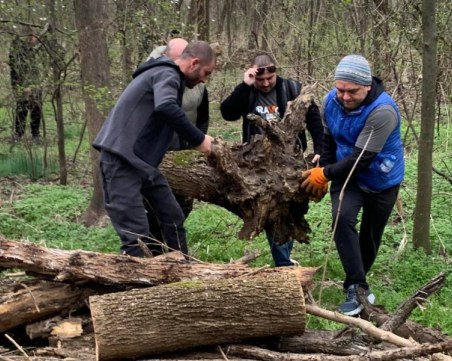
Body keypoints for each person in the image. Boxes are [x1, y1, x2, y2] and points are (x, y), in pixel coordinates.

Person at [300, 54, 404, 315]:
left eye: (352, 91)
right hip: (348, 176)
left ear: (367, 86)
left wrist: (325, 173)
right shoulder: (330, 102)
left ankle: (357, 279)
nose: (345, 96)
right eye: (340, 89)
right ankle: (357, 287)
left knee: (370, 234)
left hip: (381, 178)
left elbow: (362, 158)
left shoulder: (383, 111)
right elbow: (328, 138)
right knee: (341, 217)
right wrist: (321, 165)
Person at [93, 40, 216, 257]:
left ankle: (182, 269)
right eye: (206, 72)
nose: (205, 79)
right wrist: (200, 140)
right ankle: (138, 286)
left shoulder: (167, 75)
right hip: (121, 162)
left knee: (173, 216)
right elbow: (166, 107)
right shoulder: (166, 74)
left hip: (143, 164)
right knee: (137, 239)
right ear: (194, 63)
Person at [220, 53, 323, 267]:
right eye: (260, 80)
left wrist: (319, 149)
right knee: (271, 210)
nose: (266, 84)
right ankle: (283, 261)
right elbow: (227, 113)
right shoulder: (247, 92)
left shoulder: (292, 89)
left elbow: (313, 119)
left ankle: (283, 258)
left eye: (270, 78)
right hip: (257, 164)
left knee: (291, 209)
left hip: (290, 161)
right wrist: (245, 86)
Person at [144, 37, 210, 256]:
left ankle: (174, 260)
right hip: (155, 157)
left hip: (183, 156)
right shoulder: (156, 77)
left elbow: (202, 117)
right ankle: (155, 254)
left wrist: (194, 143)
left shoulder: (197, 86)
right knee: (153, 211)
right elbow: (163, 108)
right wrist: (200, 140)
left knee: (179, 211)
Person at [9, 29, 46, 142]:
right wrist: (21, 86)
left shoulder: (37, 49)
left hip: (35, 83)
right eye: (35, 37)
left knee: (36, 108)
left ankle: (35, 135)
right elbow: (15, 68)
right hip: (22, 83)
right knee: (21, 108)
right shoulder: (18, 48)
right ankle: (18, 134)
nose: (36, 39)